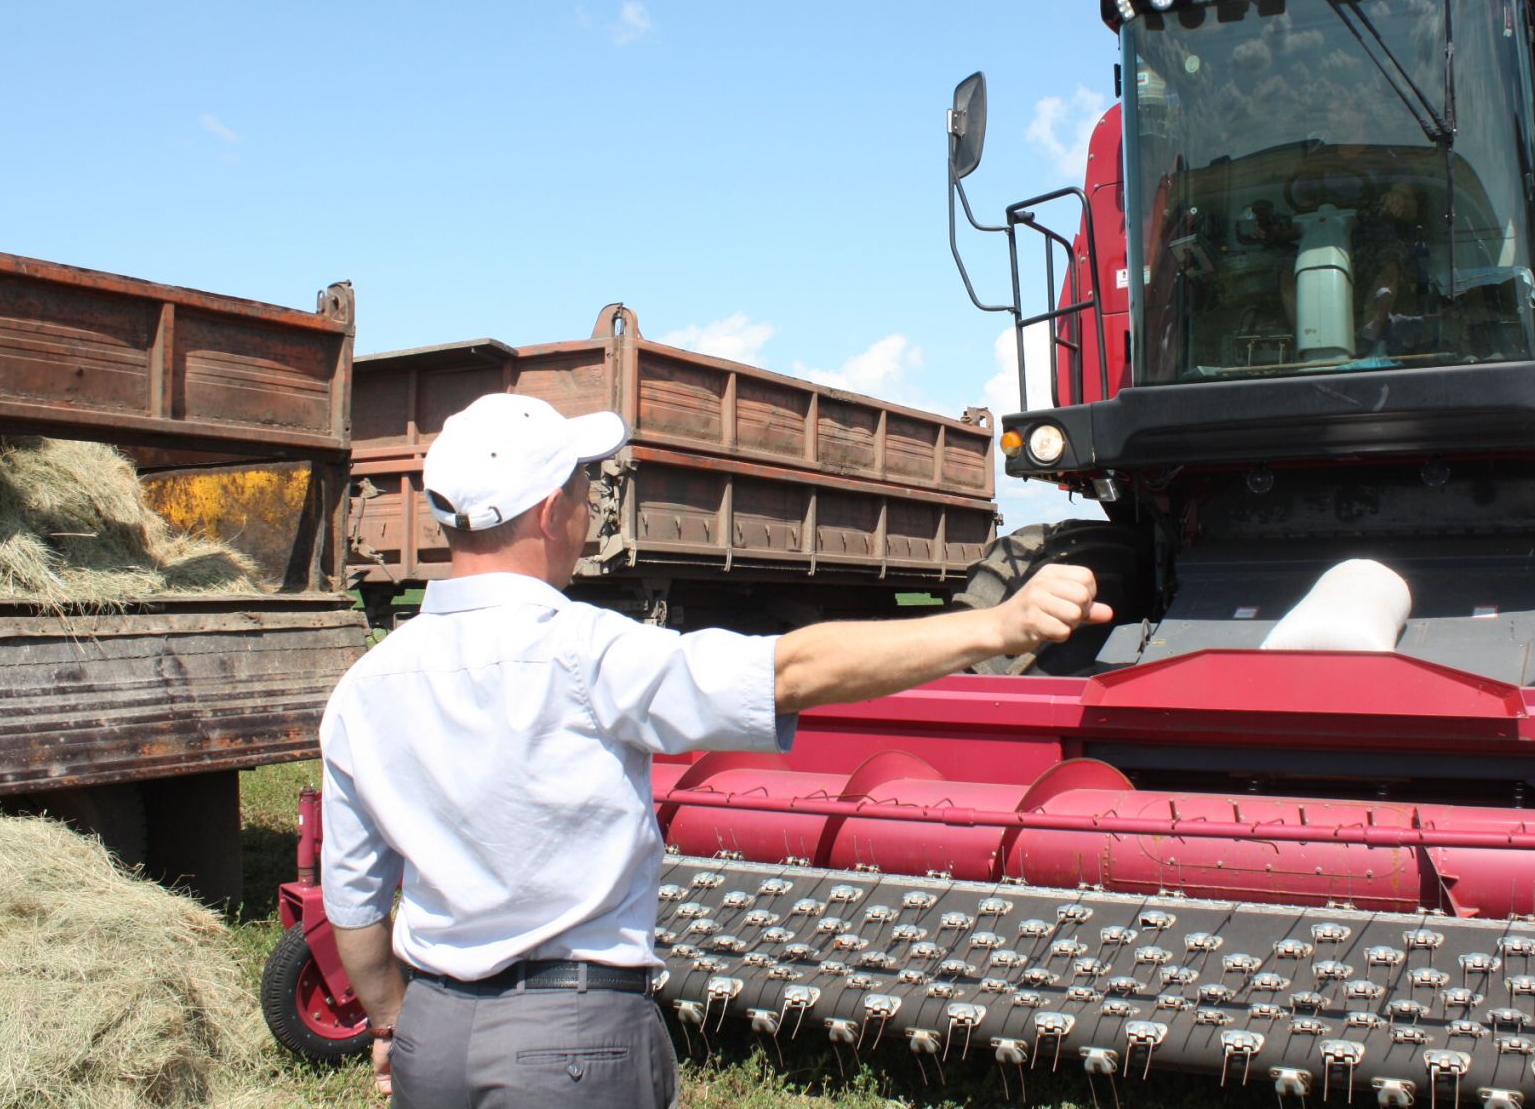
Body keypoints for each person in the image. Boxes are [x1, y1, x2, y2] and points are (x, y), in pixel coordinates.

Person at [318, 392, 1109, 1108]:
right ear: (551, 510)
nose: (589, 510)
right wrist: (999, 627)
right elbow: (793, 668)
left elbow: (354, 904)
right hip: (571, 1043)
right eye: (585, 492)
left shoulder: (365, 686)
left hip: (434, 1038)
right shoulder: (586, 654)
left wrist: (394, 1021)